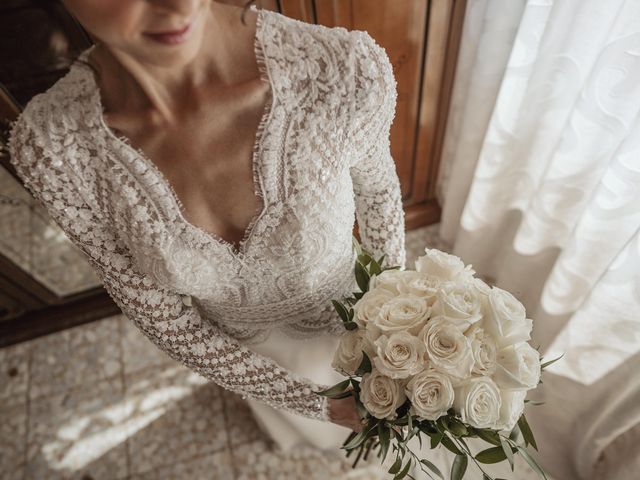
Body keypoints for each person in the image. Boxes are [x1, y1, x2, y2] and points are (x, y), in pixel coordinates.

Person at [8, 0, 406, 475]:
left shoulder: (343, 69)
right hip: (243, 348)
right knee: (306, 427)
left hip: (351, 310)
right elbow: (164, 318)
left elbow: (379, 197)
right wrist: (318, 405)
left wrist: (392, 330)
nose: (178, 7)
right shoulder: (52, 151)